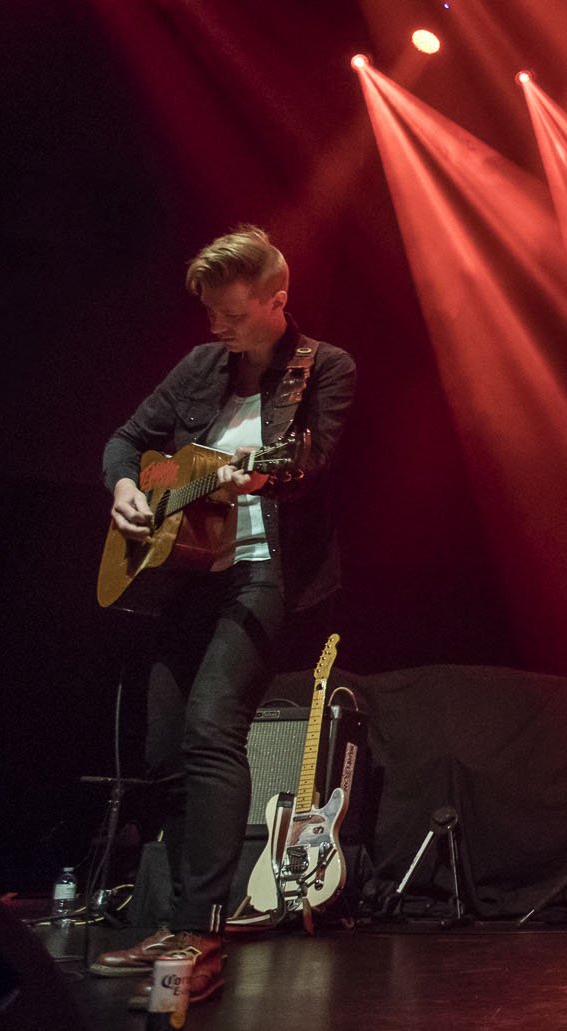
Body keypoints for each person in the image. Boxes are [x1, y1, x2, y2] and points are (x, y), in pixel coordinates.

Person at [90, 226, 357, 1000]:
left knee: (212, 728)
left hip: (265, 574)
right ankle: (177, 919)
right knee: (165, 747)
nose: (218, 326)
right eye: (210, 312)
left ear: (278, 300)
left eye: (233, 314)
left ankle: (203, 933)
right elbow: (125, 440)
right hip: (187, 578)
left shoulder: (325, 368)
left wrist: (263, 478)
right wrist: (125, 487)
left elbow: (310, 465)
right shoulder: (200, 366)